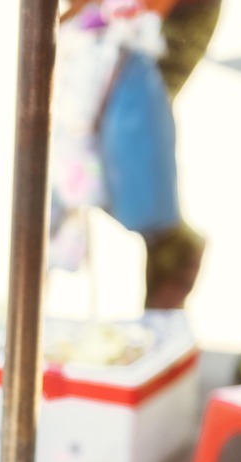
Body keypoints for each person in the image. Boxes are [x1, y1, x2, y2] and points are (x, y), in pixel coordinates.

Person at [59, 0, 221, 308]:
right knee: (93, 149)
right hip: (117, 26)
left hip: (157, 21)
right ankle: (169, 255)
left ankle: (172, 259)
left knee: (127, 141)